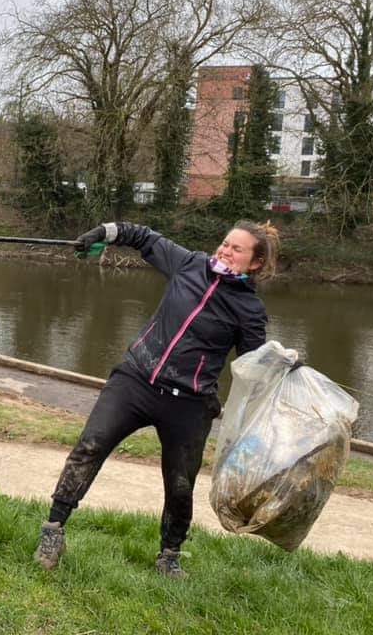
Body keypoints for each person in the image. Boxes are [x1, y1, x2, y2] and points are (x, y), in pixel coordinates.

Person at [33, 220, 279, 578]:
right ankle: (53, 529)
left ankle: (169, 555)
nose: (225, 251)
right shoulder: (189, 264)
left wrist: (280, 364)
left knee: (180, 486)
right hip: (135, 380)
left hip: (190, 403)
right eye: (225, 243)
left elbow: (252, 366)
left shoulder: (249, 310)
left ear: (255, 263)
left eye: (236, 249)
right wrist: (103, 233)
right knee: (89, 447)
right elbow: (143, 237)